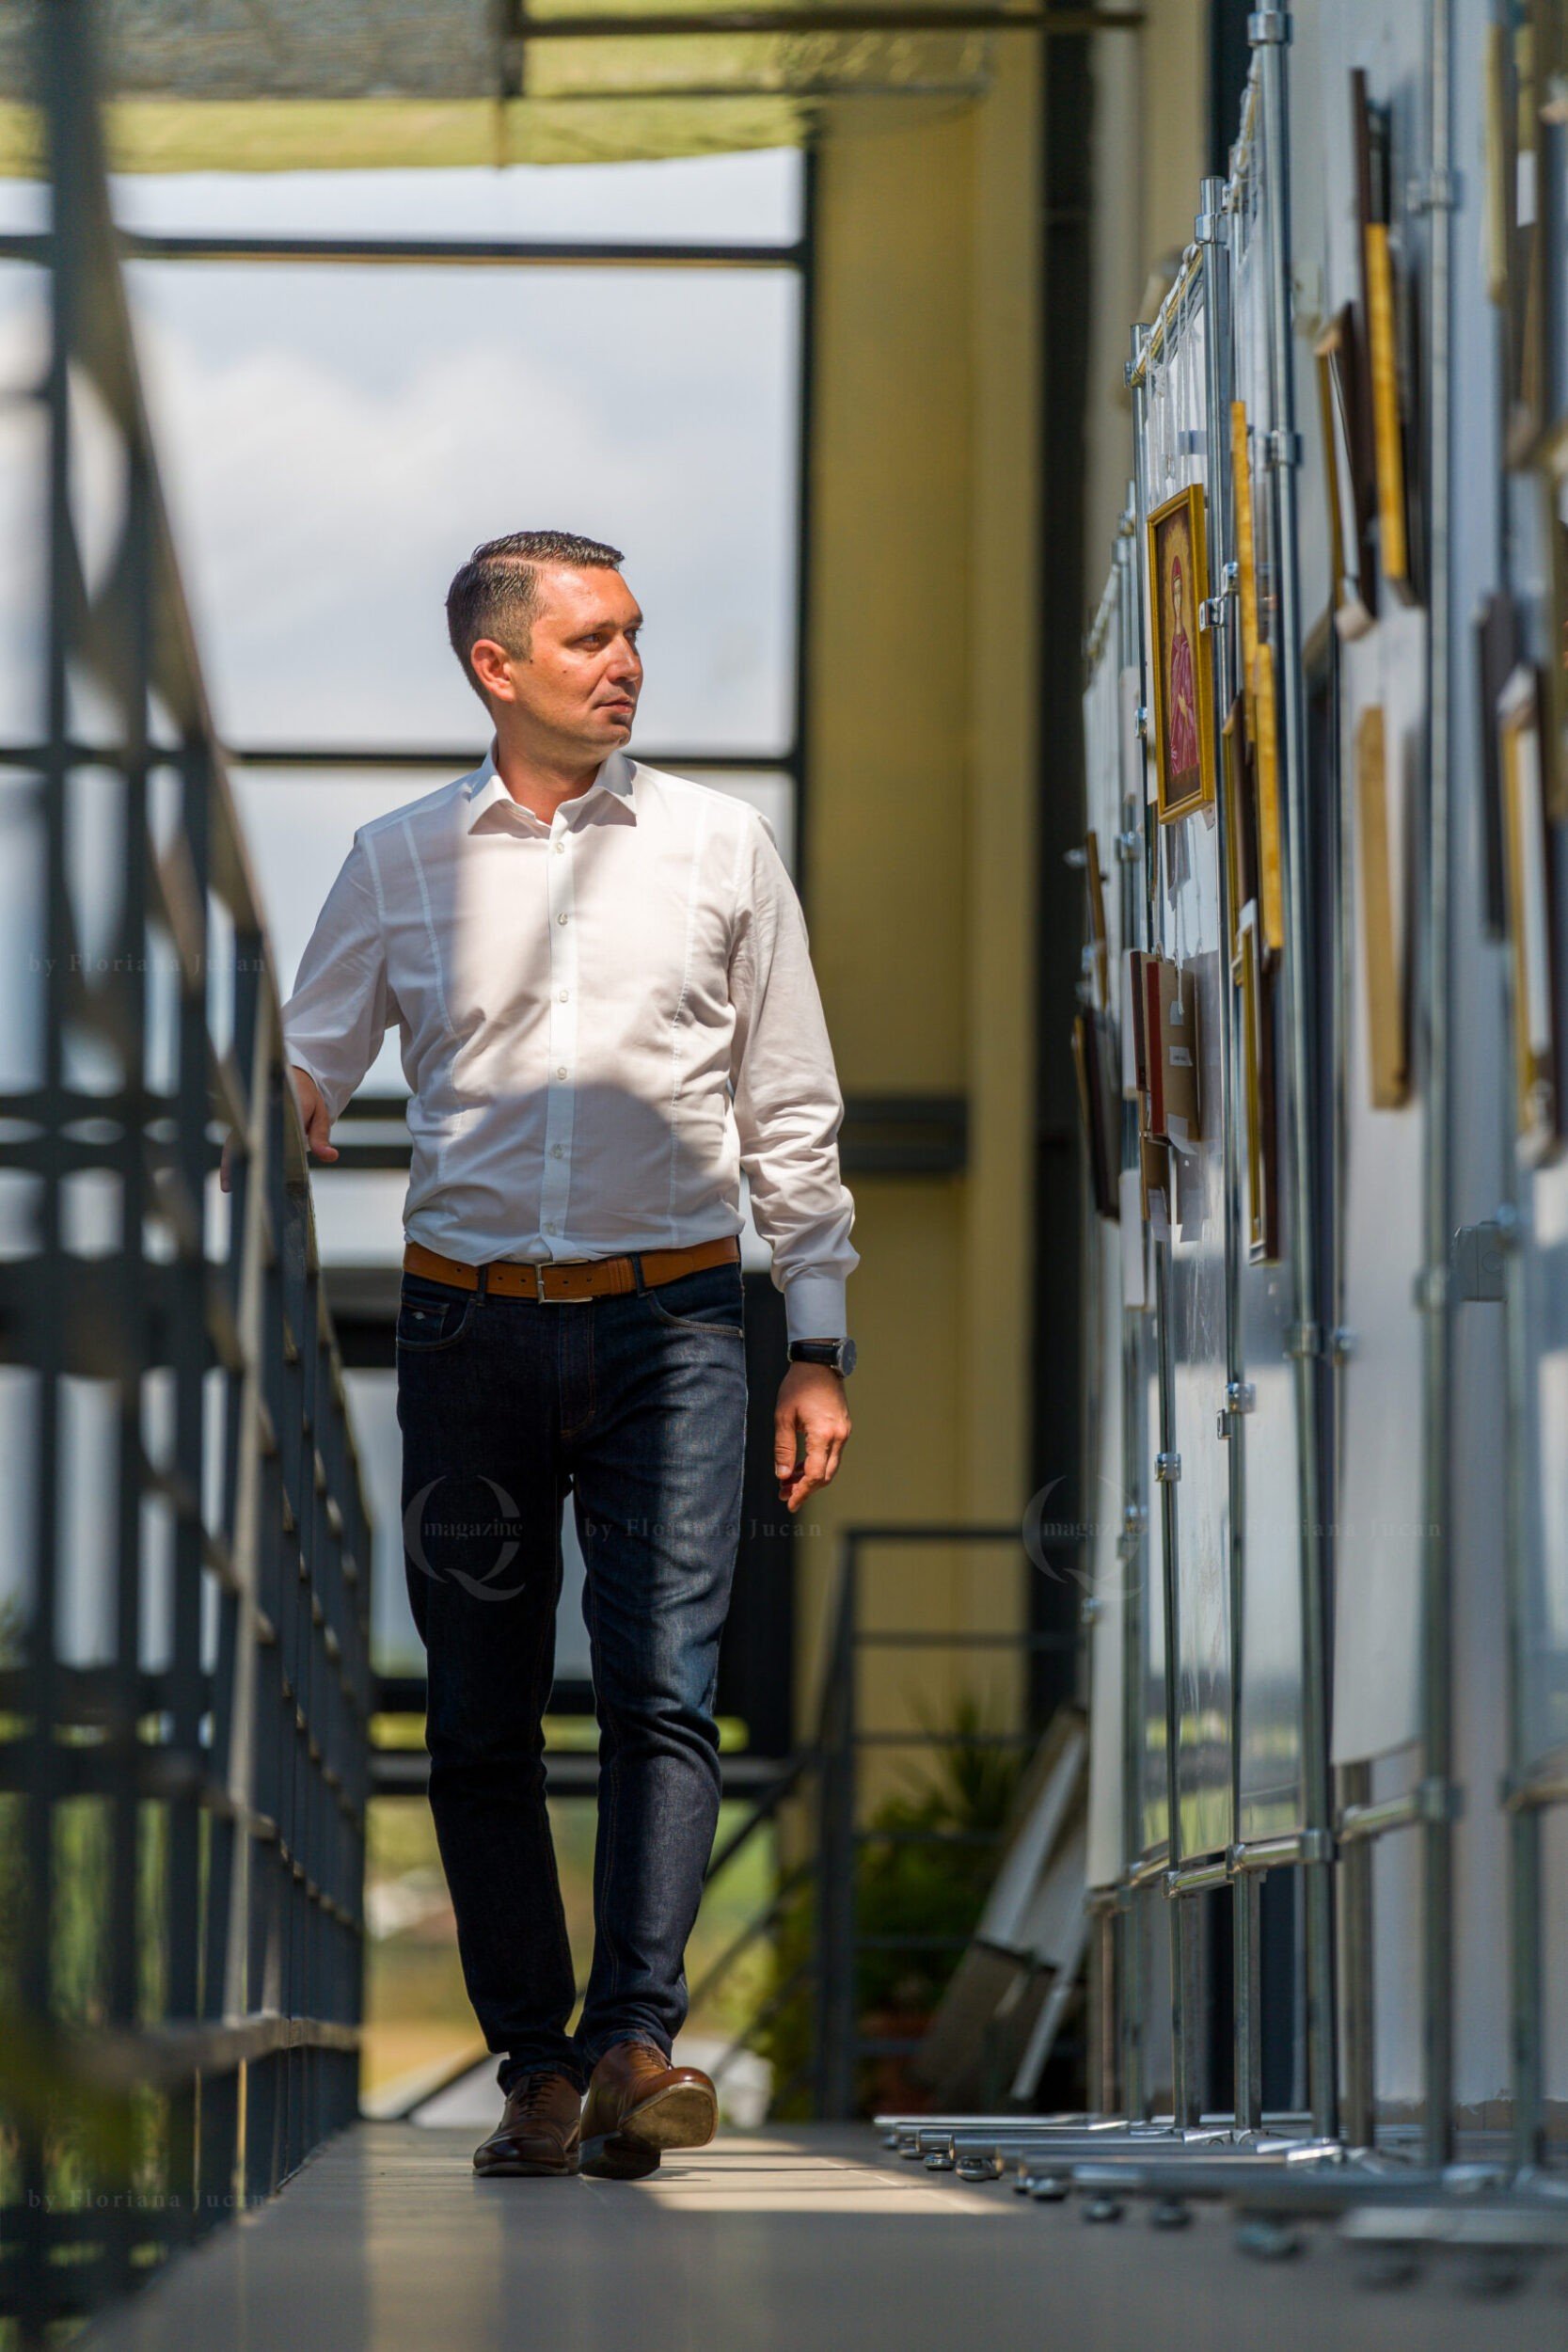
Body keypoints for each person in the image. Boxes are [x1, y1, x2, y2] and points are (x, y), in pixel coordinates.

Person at [225, 529, 858, 2181]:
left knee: (664, 1688)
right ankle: (534, 2069)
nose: (626, 663)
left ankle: (636, 2044)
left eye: (633, 634)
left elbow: (790, 1111)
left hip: (680, 1333)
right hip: (467, 1333)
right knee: (478, 1719)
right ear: (494, 667)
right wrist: (268, 1111)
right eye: (589, 640)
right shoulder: (397, 860)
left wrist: (816, 1344)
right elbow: (306, 1065)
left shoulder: (722, 847)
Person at [1166, 551, 1200, 782]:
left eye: (1181, 592)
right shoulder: (1174, 646)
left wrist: (1185, 709)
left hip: (1188, 732)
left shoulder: (1187, 645)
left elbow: (1192, 695)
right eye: (1174, 593)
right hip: (1177, 732)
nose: (1178, 600)